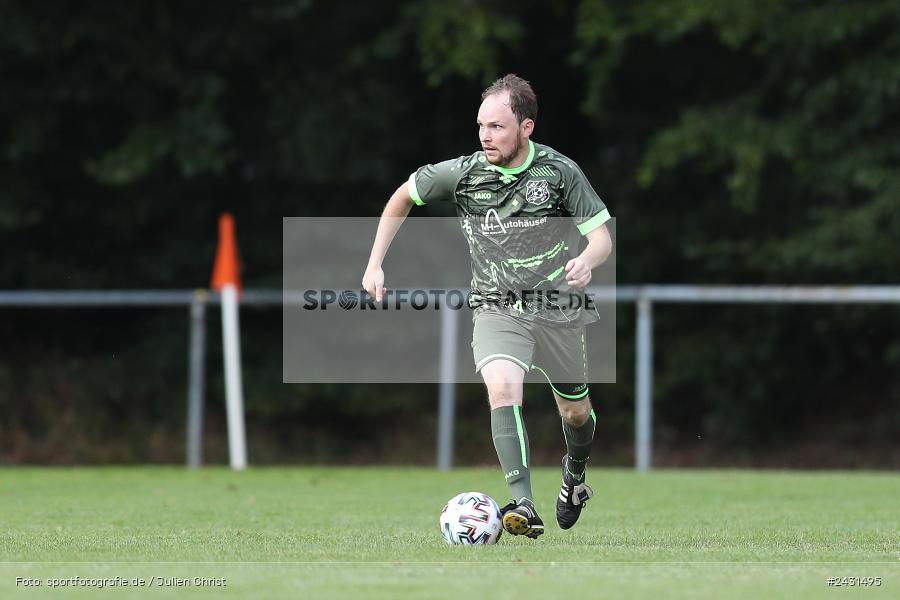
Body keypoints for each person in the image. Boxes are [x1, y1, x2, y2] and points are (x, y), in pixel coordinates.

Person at [363, 74, 612, 539]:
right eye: (481, 125)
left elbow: (600, 238)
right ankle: (524, 503)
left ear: (526, 128)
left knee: (575, 413)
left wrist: (586, 260)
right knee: (502, 388)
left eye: (497, 126)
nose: (485, 135)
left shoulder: (560, 172)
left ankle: (575, 476)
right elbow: (403, 195)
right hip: (496, 305)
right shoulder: (464, 173)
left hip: (558, 306)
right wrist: (375, 263)